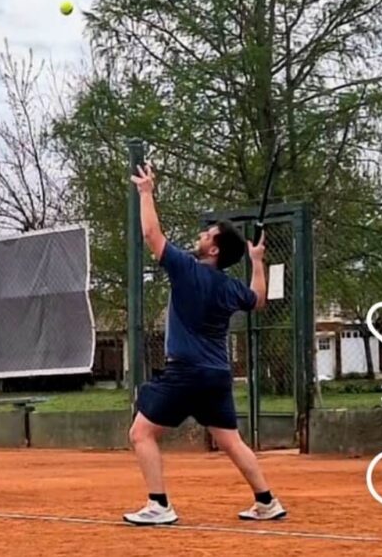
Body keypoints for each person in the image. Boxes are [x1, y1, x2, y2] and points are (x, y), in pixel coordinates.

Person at [122, 163, 287, 526]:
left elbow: (151, 234)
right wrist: (257, 262)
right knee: (230, 440)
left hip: (187, 372)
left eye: (207, 234)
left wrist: (146, 192)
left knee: (141, 432)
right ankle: (266, 502)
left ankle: (159, 505)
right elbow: (258, 300)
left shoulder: (188, 270)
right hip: (215, 375)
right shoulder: (230, 288)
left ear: (213, 250)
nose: (201, 235)